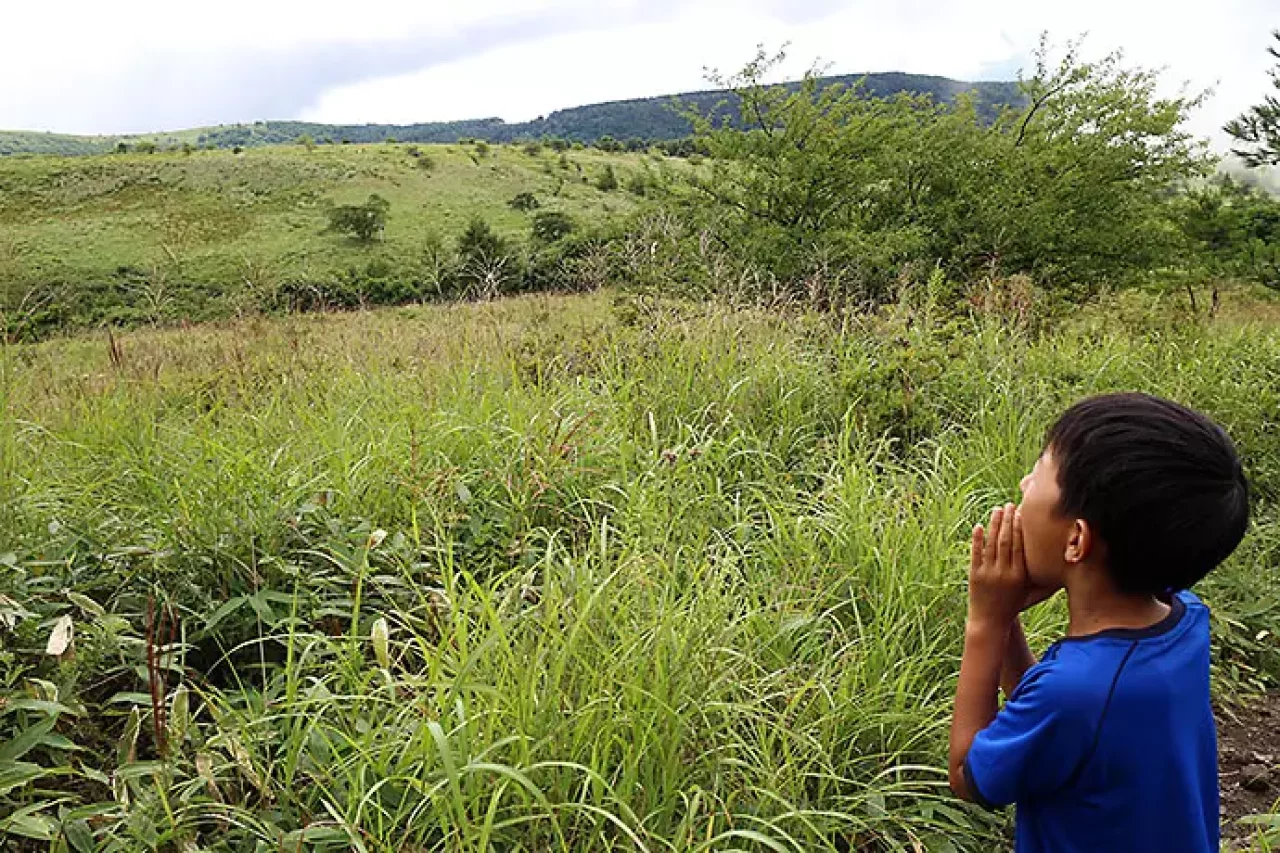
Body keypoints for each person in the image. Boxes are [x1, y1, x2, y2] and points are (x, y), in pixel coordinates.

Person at [948, 392, 1250, 852]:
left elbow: (967, 776)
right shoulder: (1186, 621)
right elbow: (1065, 716)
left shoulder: (1076, 693)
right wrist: (1008, 619)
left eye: (1041, 470)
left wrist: (986, 623)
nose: (1026, 482)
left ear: (1076, 539)